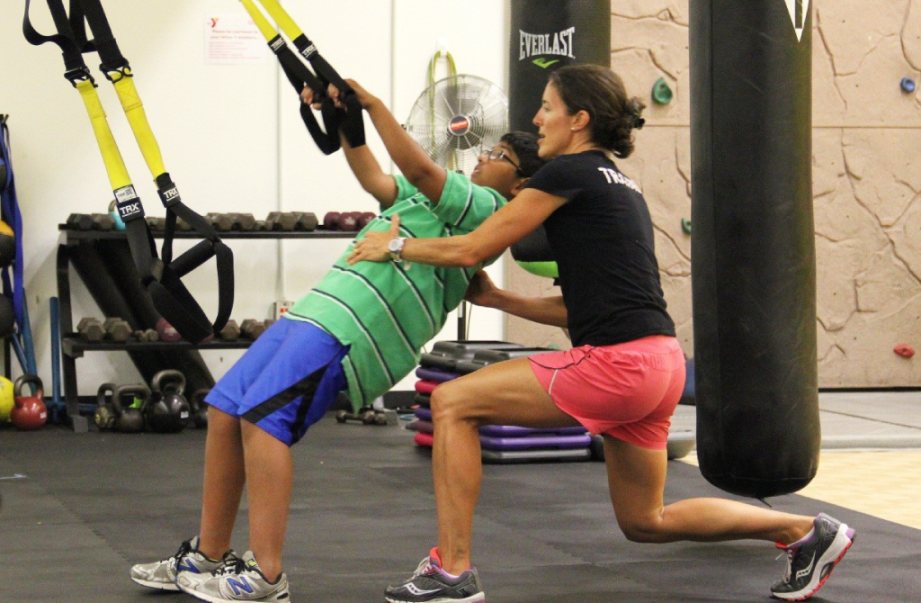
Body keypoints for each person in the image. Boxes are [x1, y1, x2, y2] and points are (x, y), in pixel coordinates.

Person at [347, 64, 856, 603]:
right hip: (660, 364)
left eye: (547, 106)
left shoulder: (565, 173)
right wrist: (499, 300)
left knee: (451, 402)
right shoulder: (617, 183)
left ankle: (451, 571)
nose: (537, 117)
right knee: (645, 520)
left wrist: (397, 246)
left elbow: (471, 248)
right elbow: (581, 306)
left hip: (619, 365)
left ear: (579, 119)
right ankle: (803, 531)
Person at [127, 78, 546, 603]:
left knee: (263, 419)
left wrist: (374, 106)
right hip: (317, 310)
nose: (483, 155)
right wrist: (343, 118)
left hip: (353, 331)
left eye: (500, 154)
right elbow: (375, 175)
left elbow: (420, 169)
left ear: (520, 186)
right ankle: (209, 553)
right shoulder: (440, 198)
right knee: (224, 409)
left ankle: (267, 574)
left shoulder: (487, 208)